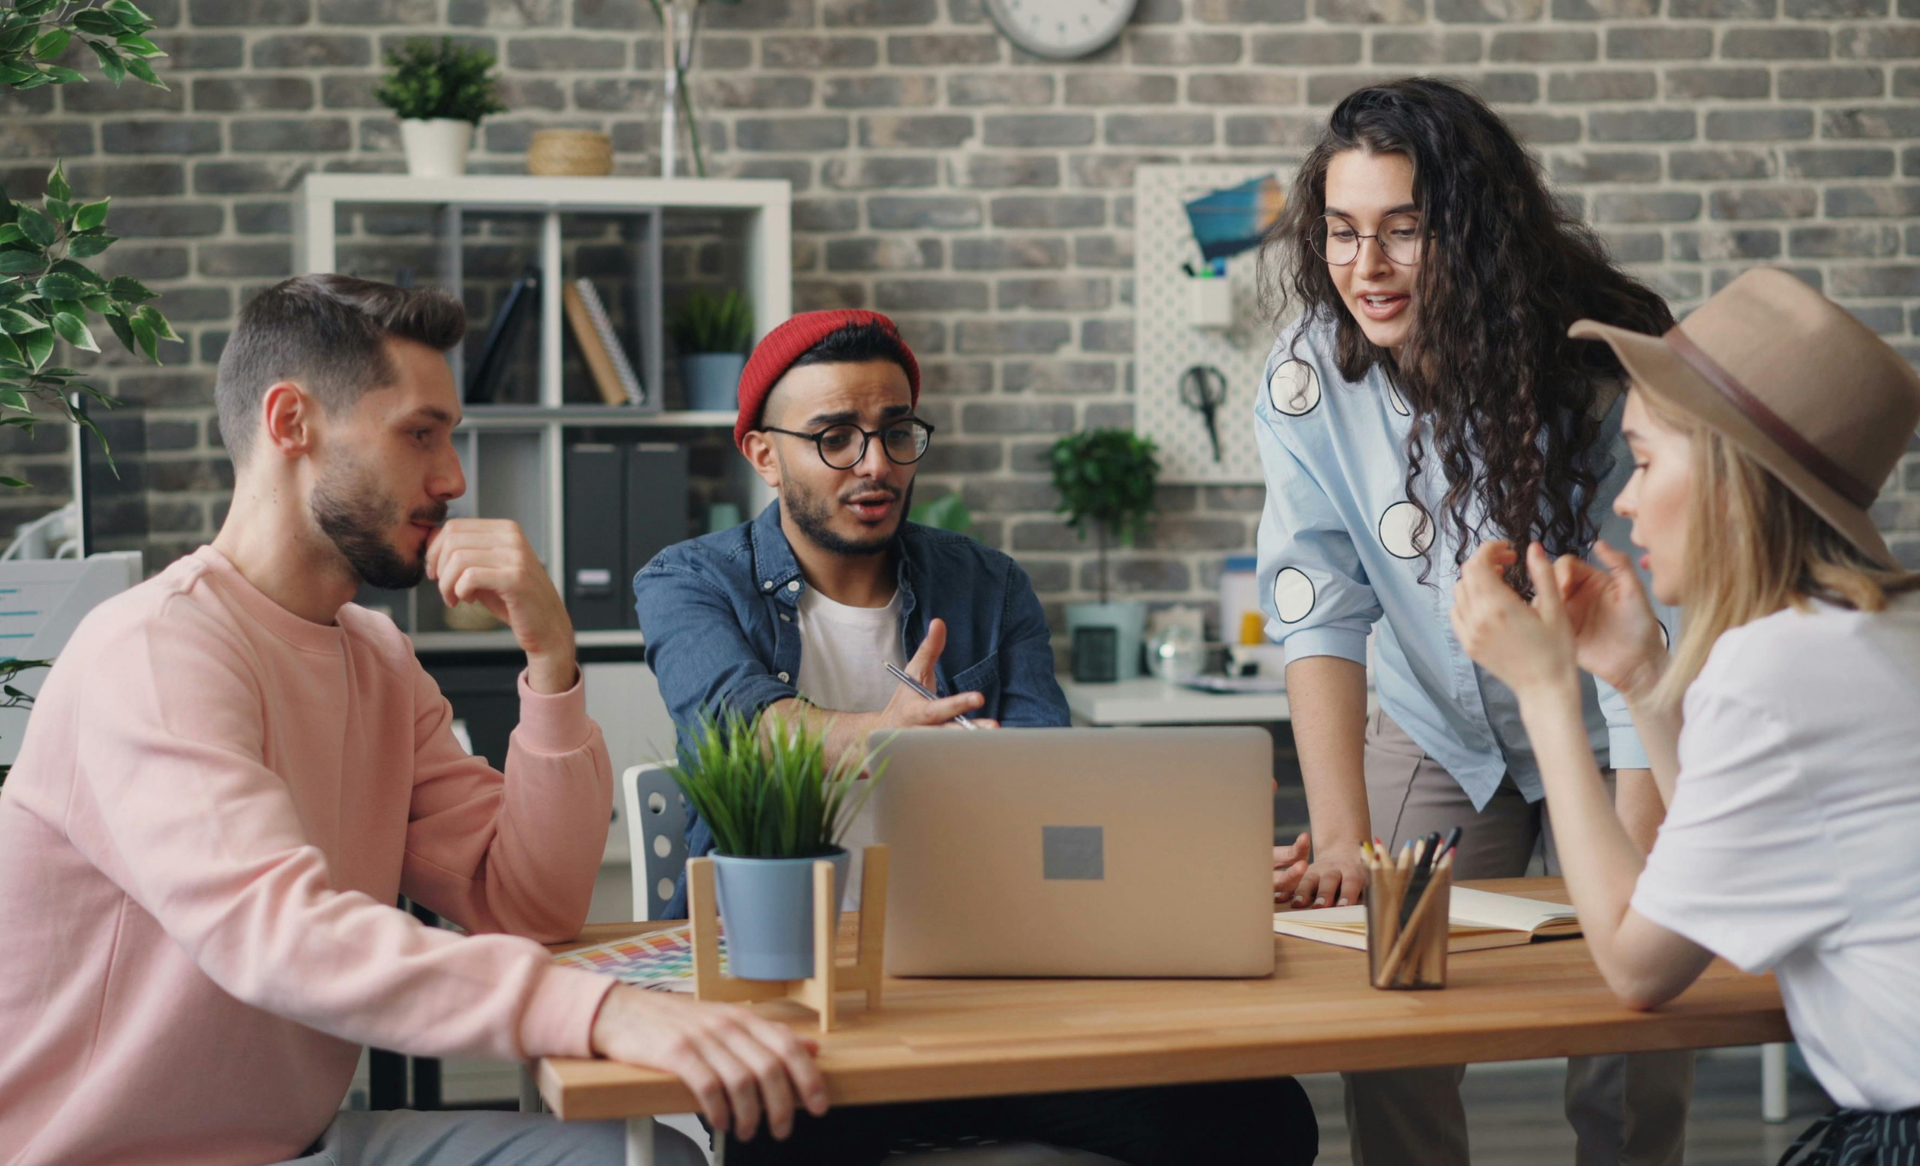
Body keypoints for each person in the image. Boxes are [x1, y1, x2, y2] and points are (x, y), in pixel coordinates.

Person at [0, 275, 826, 1166]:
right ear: (291, 425)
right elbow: (279, 935)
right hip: (116, 1156)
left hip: (300, 1143)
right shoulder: (156, 649)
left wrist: (551, 660)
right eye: (420, 434)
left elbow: (529, 903)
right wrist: (603, 1009)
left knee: (647, 1158)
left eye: (451, 438)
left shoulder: (377, 659)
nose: (454, 478)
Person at [635, 308, 1317, 1166]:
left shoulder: (989, 585)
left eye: (895, 432)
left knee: (1266, 1117)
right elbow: (739, 730)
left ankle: (942, 1108)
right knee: (789, 1129)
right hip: (788, 998)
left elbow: (1055, 803)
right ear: (763, 453)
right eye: (835, 437)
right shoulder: (688, 582)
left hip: (982, 988)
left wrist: (1188, 874)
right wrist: (887, 738)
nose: (875, 464)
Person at [1253, 78, 1692, 1165]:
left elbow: (1650, 615)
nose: (1368, 268)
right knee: (1392, 999)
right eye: (1344, 234)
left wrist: (1641, 825)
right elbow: (1314, 595)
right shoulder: (1311, 371)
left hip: (1605, 714)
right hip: (1430, 722)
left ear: (1477, 232)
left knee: (1631, 1013)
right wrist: (1345, 827)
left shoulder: (1604, 359)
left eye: (1405, 232)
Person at [1451, 268, 1920, 1164]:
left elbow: (1639, 967)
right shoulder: (1873, 634)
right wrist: (1637, 675)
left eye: (1648, 459)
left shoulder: (1776, 666)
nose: (1623, 500)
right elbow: (1731, 850)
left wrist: (1548, 691)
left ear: (1732, 481)